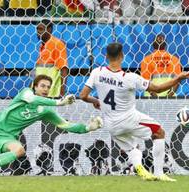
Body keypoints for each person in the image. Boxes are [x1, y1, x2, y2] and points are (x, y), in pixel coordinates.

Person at [0, 75, 103, 176]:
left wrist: (88, 128)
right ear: (34, 86)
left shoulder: (45, 110)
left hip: (7, 136)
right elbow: (33, 99)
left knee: (19, 150)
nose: (45, 89)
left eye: (48, 87)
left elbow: (66, 125)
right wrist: (59, 102)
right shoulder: (26, 93)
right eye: (42, 86)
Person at [80, 42, 189, 181]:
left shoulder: (97, 72)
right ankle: (159, 173)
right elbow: (159, 89)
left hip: (111, 125)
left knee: (133, 148)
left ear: (106, 56)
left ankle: (140, 169)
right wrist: (178, 77)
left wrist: (95, 101)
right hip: (129, 119)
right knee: (159, 132)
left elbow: (83, 96)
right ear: (122, 56)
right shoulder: (131, 78)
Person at [36, 19, 68, 97]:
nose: (38, 32)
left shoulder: (57, 44)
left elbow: (64, 69)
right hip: (41, 93)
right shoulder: (42, 46)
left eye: (41, 29)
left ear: (49, 30)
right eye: (37, 29)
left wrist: (62, 92)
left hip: (51, 94)